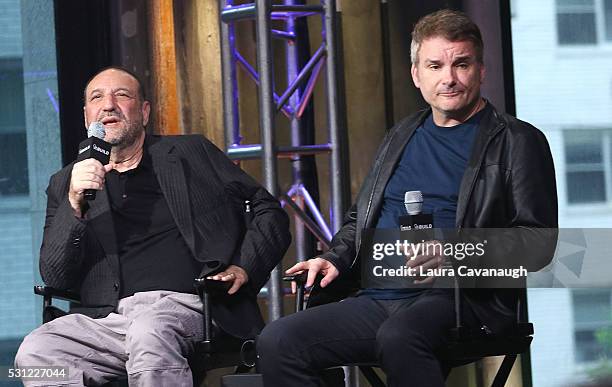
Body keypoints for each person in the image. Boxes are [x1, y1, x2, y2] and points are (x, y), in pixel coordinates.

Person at [257, 9, 557, 387]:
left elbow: (539, 244)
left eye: (461, 64)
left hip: (465, 302)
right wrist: (334, 259)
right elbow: (358, 219)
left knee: (400, 336)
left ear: (481, 70)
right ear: (417, 74)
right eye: (435, 66)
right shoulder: (401, 135)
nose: (448, 78)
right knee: (279, 341)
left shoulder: (517, 141)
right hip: (380, 296)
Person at [15, 67, 291, 386]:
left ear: (144, 112)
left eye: (122, 95)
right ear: (86, 115)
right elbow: (55, 275)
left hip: (189, 308)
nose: (108, 105)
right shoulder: (66, 182)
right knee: (36, 351)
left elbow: (268, 210)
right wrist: (74, 202)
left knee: (149, 331)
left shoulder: (190, 152)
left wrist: (244, 268)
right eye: (97, 98)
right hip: (108, 319)